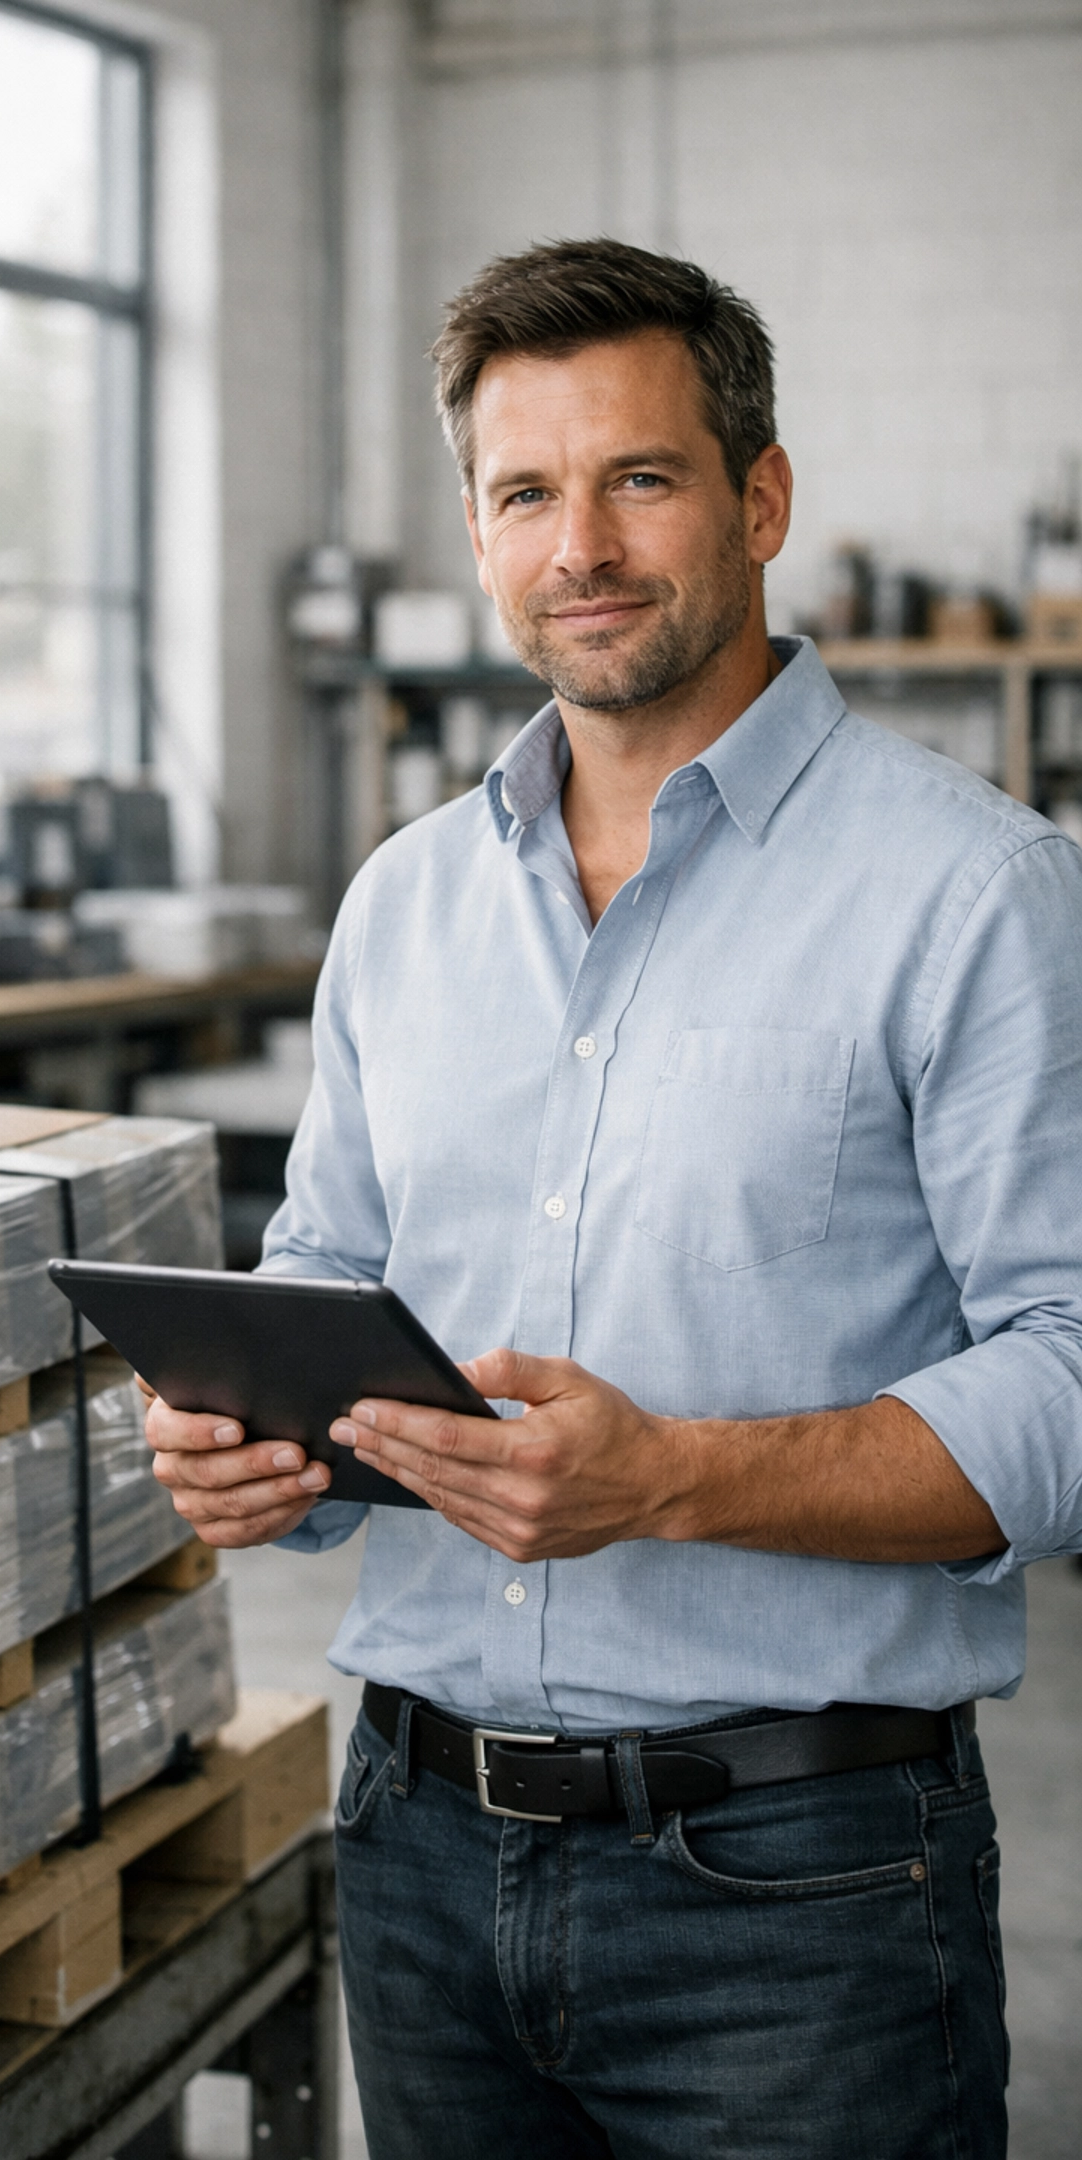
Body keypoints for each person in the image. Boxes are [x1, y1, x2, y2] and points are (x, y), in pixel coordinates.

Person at [146, 238, 1082, 2158]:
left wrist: (674, 1479)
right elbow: (329, 1264)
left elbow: (1072, 1379)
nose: (581, 541)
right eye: (524, 493)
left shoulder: (975, 893)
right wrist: (259, 1445)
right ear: (480, 538)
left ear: (761, 498)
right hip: (411, 1850)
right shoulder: (403, 903)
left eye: (639, 478)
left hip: (799, 1892)